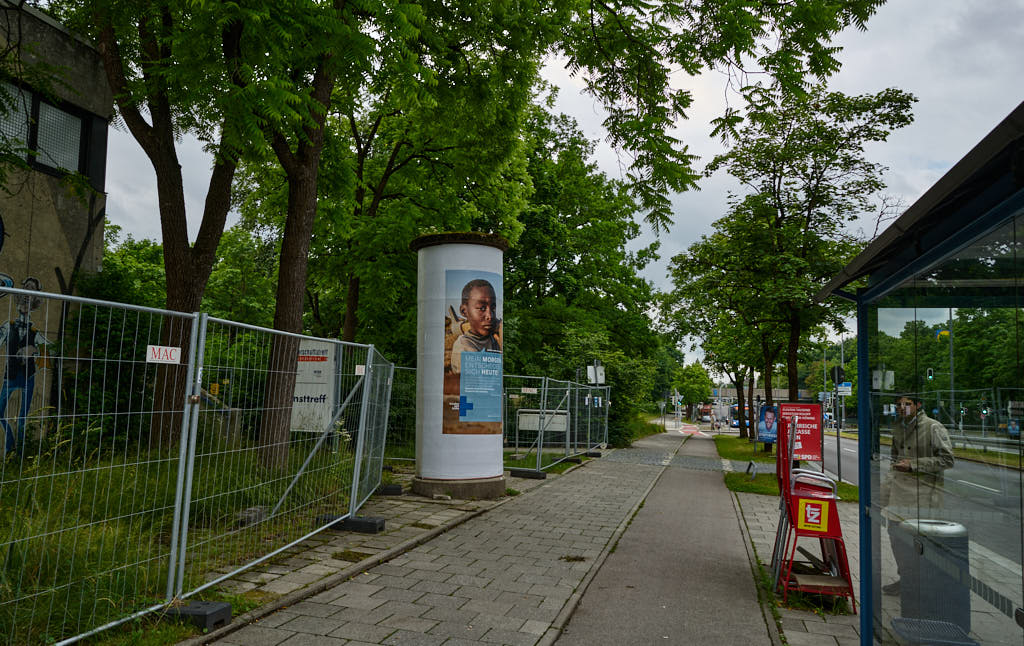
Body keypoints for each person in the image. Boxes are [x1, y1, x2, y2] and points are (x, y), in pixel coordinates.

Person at [881, 393, 954, 595]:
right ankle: (907, 579)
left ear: (918, 405)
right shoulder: (898, 427)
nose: (902, 407)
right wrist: (885, 490)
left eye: (907, 403)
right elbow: (894, 461)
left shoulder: (933, 427)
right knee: (896, 537)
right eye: (898, 404)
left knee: (918, 541)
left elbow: (947, 460)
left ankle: (922, 583)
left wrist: (914, 465)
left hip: (923, 495)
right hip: (899, 494)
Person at [1, 277, 48, 456]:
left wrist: (34, 348)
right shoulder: (8, 326)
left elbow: (53, 348)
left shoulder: (35, 332)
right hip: (9, 376)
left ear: (35, 302)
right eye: (26, 289)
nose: (27, 296)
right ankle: (10, 441)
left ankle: (19, 456)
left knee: (22, 418)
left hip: (28, 377)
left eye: (32, 291)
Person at [449, 279, 501, 373]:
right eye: (482, 308)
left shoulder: (493, 339)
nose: (489, 316)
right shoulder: (463, 345)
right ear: (464, 311)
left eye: (493, 308)